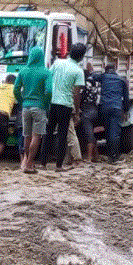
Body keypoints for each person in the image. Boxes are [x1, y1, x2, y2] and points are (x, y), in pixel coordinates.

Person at [44, 43, 86, 171]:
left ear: (70, 52)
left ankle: (43, 163)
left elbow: (48, 77)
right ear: (81, 57)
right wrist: (77, 112)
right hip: (66, 105)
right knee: (62, 135)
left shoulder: (57, 63)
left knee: (48, 132)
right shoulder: (78, 71)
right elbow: (76, 93)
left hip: (52, 102)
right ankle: (58, 165)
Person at [13, 46, 52, 174]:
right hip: (39, 107)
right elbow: (49, 91)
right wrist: (45, 104)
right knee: (37, 136)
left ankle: (24, 161)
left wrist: (22, 101)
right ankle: (30, 164)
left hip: (25, 107)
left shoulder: (23, 71)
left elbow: (16, 90)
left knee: (27, 136)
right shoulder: (46, 72)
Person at [98, 61, 130, 163]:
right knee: (115, 133)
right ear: (115, 69)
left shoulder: (103, 77)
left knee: (107, 131)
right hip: (116, 108)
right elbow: (126, 98)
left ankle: (109, 155)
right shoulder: (122, 80)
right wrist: (125, 111)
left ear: (106, 70)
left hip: (105, 108)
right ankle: (114, 157)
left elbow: (92, 77)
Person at [78, 63, 101, 162]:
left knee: (89, 134)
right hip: (95, 110)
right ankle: (96, 156)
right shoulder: (95, 83)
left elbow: (80, 97)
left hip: (86, 111)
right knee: (91, 133)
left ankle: (89, 157)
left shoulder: (84, 85)